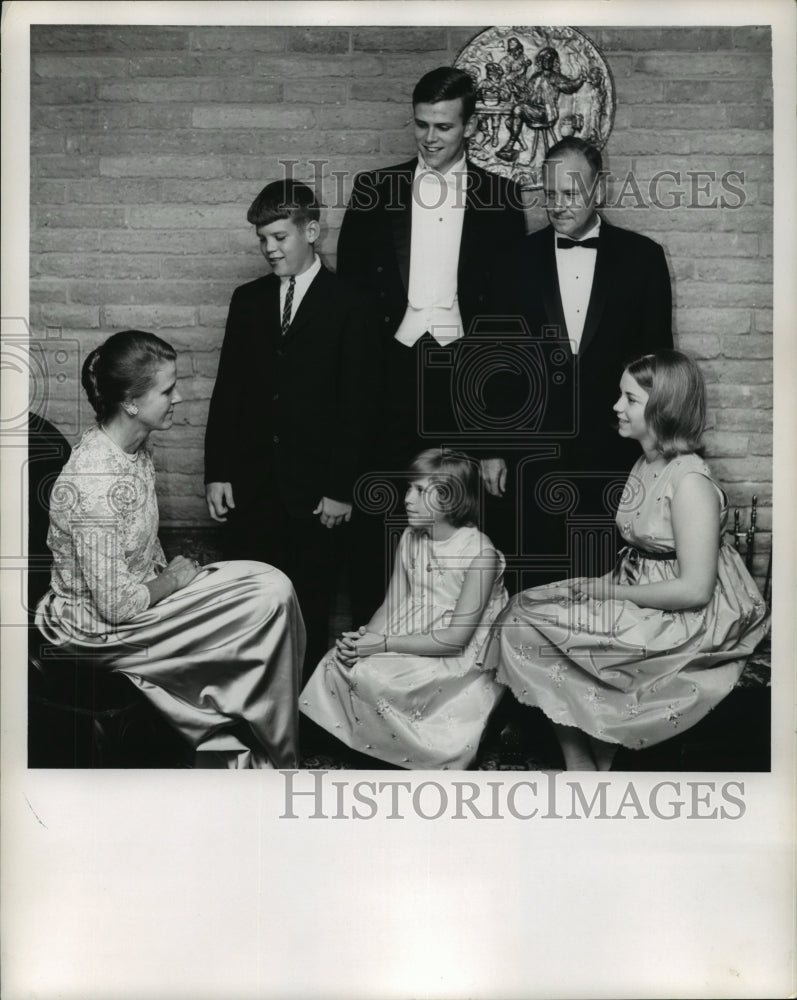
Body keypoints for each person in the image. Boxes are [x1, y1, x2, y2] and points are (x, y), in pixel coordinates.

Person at [483, 350, 770, 771]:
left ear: (663, 408)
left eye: (630, 399)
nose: (617, 407)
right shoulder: (646, 461)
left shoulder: (690, 482)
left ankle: (598, 759)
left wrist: (607, 591)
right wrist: (600, 588)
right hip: (638, 588)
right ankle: (585, 761)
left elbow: (695, 589)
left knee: (534, 624)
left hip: (685, 617)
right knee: (523, 610)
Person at [35, 330, 305, 769]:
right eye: (167, 389)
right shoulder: (94, 483)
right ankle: (273, 757)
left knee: (272, 585)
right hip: (90, 627)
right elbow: (116, 605)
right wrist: (175, 581)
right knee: (267, 600)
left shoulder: (135, 446)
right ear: (132, 403)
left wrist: (172, 580)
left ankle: (266, 743)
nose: (178, 397)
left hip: (136, 595)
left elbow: (139, 545)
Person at [336, 65, 526, 622]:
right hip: (387, 371)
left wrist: (494, 437)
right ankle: (374, 654)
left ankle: (453, 656)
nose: (430, 137)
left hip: (465, 380)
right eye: (421, 125)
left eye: (444, 126)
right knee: (380, 515)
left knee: (460, 525)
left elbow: (506, 323)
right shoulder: (375, 189)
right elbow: (350, 297)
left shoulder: (503, 197)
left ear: (469, 125)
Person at [204, 180, 378, 675]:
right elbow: (228, 391)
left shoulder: (352, 302)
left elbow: (358, 404)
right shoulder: (248, 300)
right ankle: (250, 714)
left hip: (317, 495)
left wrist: (340, 488)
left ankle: (302, 725)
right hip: (251, 487)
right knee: (247, 610)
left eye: (279, 236)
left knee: (310, 608)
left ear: (313, 232)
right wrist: (217, 471)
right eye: (262, 239)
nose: (269, 249)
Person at [488, 136, 673, 589]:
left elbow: (658, 360)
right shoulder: (514, 261)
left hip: (614, 452)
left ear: (599, 190)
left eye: (570, 193)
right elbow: (495, 359)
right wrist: (490, 448)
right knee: (533, 581)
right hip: (531, 455)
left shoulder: (642, 258)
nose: (558, 205)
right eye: (549, 194)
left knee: (602, 582)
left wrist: (657, 449)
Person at [300, 449, 507, 770]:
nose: (408, 498)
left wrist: (383, 645)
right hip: (411, 630)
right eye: (410, 488)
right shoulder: (412, 537)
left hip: (456, 651)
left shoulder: (480, 553)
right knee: (339, 662)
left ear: (450, 499)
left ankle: (416, 754)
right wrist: (363, 640)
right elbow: (392, 604)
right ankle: (375, 746)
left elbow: (456, 638)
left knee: (384, 677)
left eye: (421, 491)